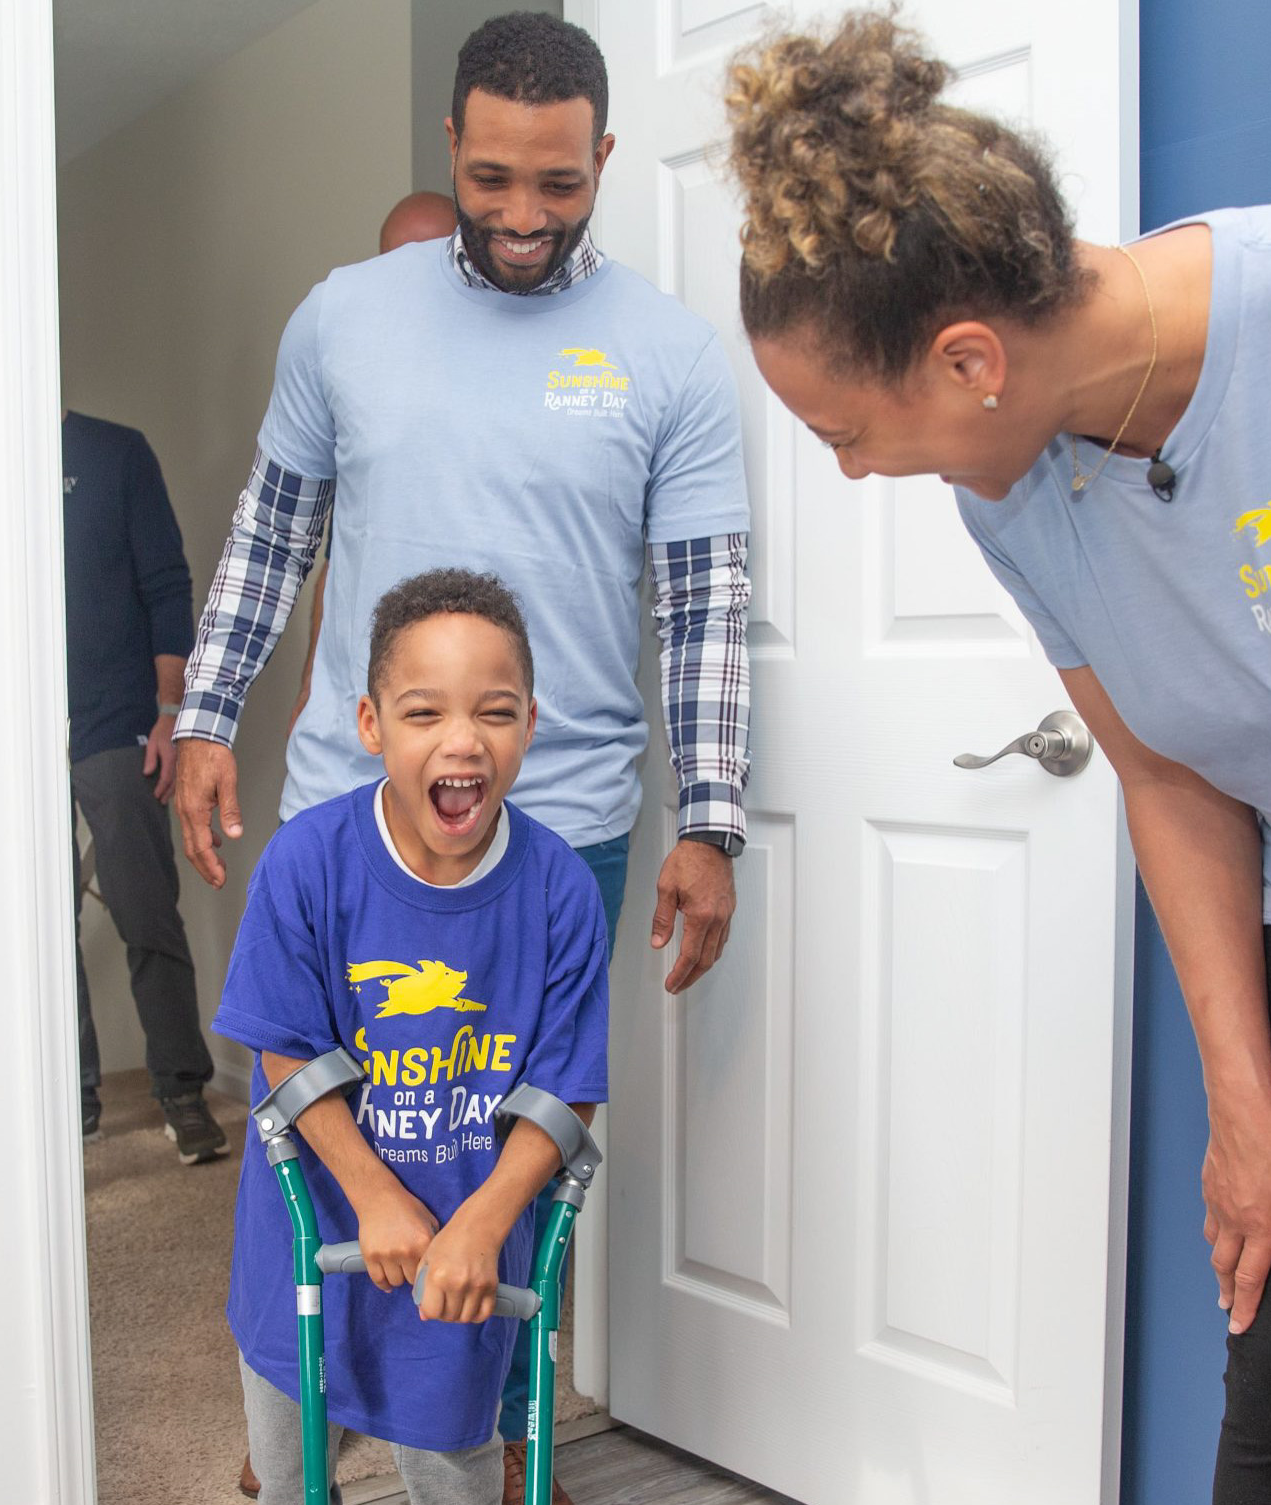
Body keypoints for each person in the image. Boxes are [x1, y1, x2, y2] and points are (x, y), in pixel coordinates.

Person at [722, 14, 1271, 1503]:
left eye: (845, 433)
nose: (848, 474)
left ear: (967, 358)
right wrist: (1244, 1107)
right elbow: (1164, 775)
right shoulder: (1015, 482)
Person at [178, 18, 752, 1493]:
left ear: (604, 160)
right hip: (342, 818)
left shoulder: (671, 357)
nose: (518, 215)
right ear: (448, 147)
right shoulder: (340, 318)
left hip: (558, 831)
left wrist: (712, 816)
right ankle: (287, 1410)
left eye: (557, 187)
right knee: (317, 1137)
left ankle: (486, 1433)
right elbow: (270, 535)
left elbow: (699, 610)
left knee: (506, 1150)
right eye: (490, 177)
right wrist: (202, 719)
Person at [217, 569, 607, 1505]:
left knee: (452, 1462)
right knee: (291, 1468)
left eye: (495, 712)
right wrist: (373, 1197)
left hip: (466, 1244)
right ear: (370, 724)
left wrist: (481, 1222)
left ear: (530, 723)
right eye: (423, 712)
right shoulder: (307, 862)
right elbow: (286, 1048)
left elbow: (565, 1088)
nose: (462, 740)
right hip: (314, 1227)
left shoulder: (558, 889)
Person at [64, 411, 225, 1163]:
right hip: (13, 740)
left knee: (144, 911)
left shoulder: (114, 453)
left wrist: (169, 713)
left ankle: (183, 1091)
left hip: (115, 723)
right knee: (35, 932)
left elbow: (167, 584)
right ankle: (73, 1099)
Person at [288, 190, 463, 735]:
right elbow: (338, 564)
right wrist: (310, 695)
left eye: (429, 257)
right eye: (393, 264)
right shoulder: (359, 388)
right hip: (377, 723)